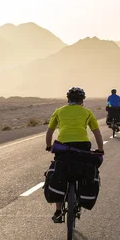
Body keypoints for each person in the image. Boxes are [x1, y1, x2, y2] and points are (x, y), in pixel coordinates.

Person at [46, 86, 104, 223]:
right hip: (83, 146)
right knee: (84, 167)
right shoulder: (87, 112)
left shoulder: (59, 111)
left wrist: (49, 146)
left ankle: (58, 211)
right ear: (82, 100)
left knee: (59, 173)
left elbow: (49, 132)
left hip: (63, 147)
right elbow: (97, 133)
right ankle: (80, 195)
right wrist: (100, 149)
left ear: (68, 99)